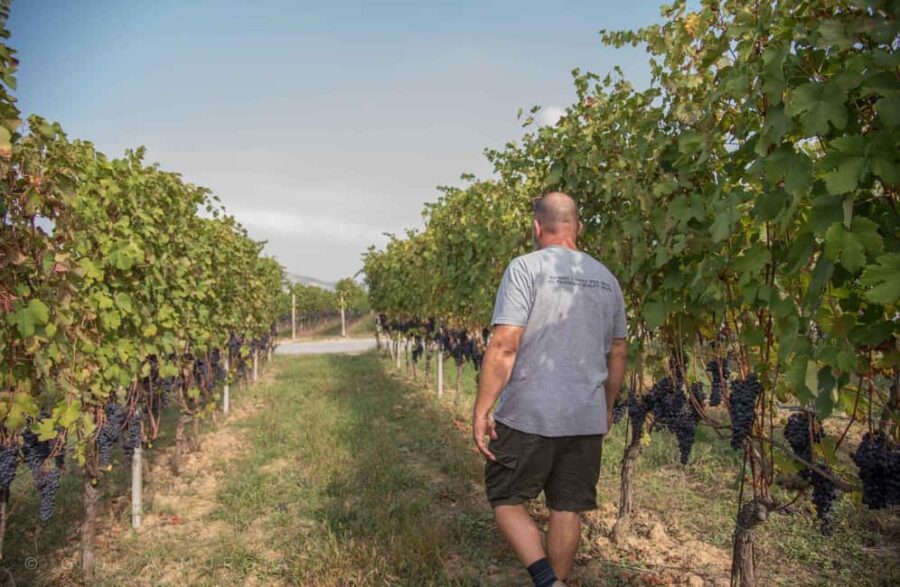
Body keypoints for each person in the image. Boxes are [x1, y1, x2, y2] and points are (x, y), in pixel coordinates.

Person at [472, 191, 628, 587]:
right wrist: (606, 406)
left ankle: (546, 580)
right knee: (567, 506)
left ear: (537, 227)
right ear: (578, 226)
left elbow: (505, 344)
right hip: (585, 416)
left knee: (505, 496)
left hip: (530, 413)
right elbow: (618, 351)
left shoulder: (525, 269)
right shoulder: (607, 279)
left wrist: (482, 409)